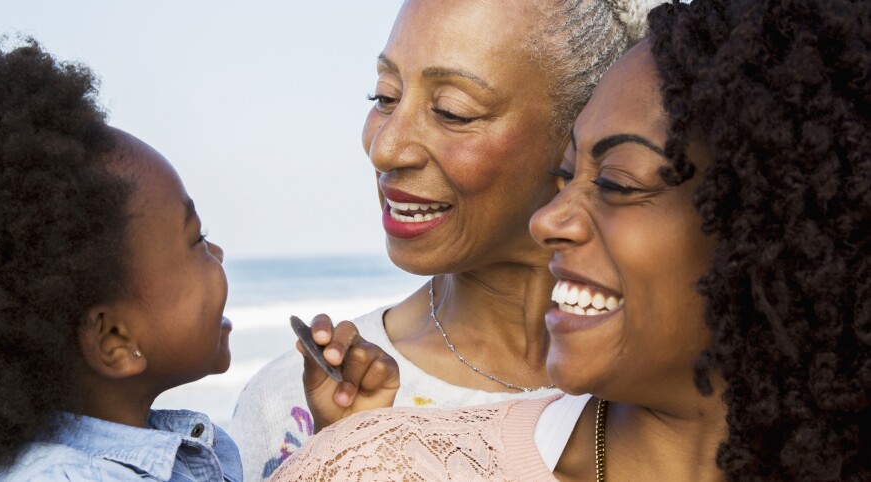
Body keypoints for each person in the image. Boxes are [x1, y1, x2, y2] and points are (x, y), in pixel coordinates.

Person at [269, 0, 871, 479]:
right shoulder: (373, 463)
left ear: (772, 228)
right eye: (567, 175)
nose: (549, 219)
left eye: (614, 181)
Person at [229, 0, 665, 479]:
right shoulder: (300, 403)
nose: (386, 148)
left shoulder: (677, 391)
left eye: (451, 111)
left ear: (582, 132)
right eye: (385, 96)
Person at [0, 40, 241, 481]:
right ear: (113, 338)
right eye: (196, 239)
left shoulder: (199, 450)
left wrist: (336, 442)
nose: (218, 253)